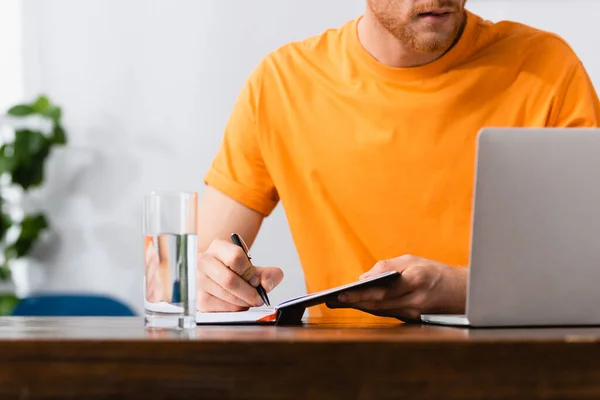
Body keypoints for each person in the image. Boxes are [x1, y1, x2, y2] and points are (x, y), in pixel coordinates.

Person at [195, 0, 600, 323]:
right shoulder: (282, 84)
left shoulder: (547, 68)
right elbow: (186, 276)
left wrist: (461, 289)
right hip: (343, 379)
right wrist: (212, 281)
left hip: (518, 375)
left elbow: (590, 274)